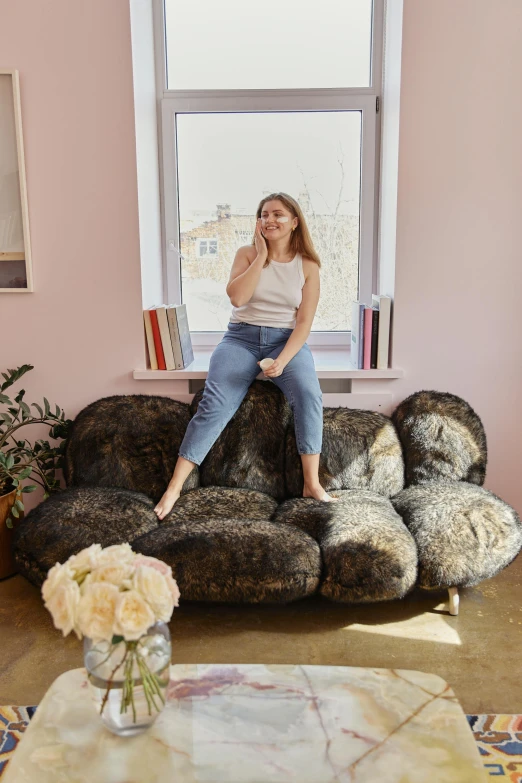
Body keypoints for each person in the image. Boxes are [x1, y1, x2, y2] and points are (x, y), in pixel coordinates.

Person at [154, 191, 338, 520]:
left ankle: (312, 483)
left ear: (294, 222)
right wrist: (261, 257)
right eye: (264, 214)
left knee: (310, 394)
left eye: (278, 214)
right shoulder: (246, 254)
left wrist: (282, 360)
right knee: (214, 405)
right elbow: (238, 298)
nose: (270, 219)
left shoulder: (307, 265)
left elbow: (304, 323)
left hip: (286, 341)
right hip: (241, 339)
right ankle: (174, 487)